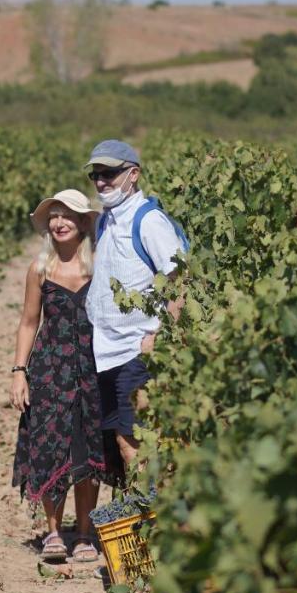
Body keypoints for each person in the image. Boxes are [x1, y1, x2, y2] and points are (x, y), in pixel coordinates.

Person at [10, 189, 107, 563]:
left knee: (88, 450)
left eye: (67, 215)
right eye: (54, 216)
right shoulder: (40, 269)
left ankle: (84, 533)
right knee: (50, 446)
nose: (59, 222)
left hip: (92, 368)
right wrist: (20, 372)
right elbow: (28, 322)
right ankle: (53, 531)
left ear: (83, 222)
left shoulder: (99, 267)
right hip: (50, 369)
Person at [84, 140, 185, 475]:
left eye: (110, 173)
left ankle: (158, 519)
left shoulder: (149, 221)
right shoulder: (106, 221)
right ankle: (148, 518)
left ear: (134, 174)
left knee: (137, 442)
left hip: (136, 350)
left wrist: (158, 336)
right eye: (96, 175)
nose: (101, 182)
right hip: (106, 350)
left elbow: (179, 280)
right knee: (122, 443)